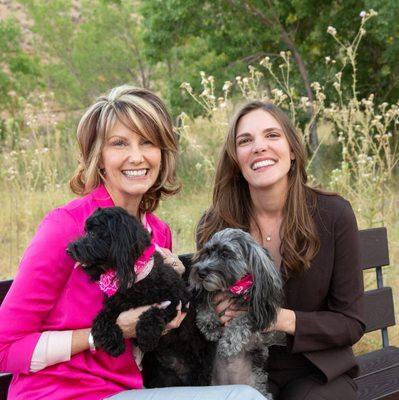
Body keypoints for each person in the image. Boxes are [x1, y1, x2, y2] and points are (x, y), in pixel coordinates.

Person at [0, 86, 267, 400]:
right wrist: (102, 334)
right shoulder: (67, 227)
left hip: (128, 391)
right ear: (98, 157)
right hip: (60, 393)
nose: (137, 156)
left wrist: (180, 295)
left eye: (148, 142)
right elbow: (5, 348)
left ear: (162, 153)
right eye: (119, 143)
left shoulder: (157, 232)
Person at [196, 101, 365, 400]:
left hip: (317, 370)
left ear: (292, 149)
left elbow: (350, 323)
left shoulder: (333, 214)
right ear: (236, 159)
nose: (259, 147)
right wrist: (216, 310)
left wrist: (277, 318)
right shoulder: (215, 224)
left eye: (271, 135)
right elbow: (205, 306)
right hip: (241, 365)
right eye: (245, 141)